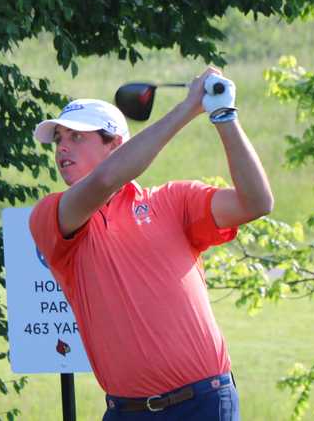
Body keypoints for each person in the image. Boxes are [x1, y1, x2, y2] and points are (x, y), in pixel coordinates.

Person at [29, 67, 274, 420]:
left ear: (116, 145)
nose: (62, 147)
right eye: (59, 139)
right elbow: (107, 179)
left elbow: (256, 203)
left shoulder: (173, 201)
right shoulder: (51, 215)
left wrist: (223, 116)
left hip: (204, 402)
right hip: (127, 411)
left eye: (77, 137)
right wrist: (189, 108)